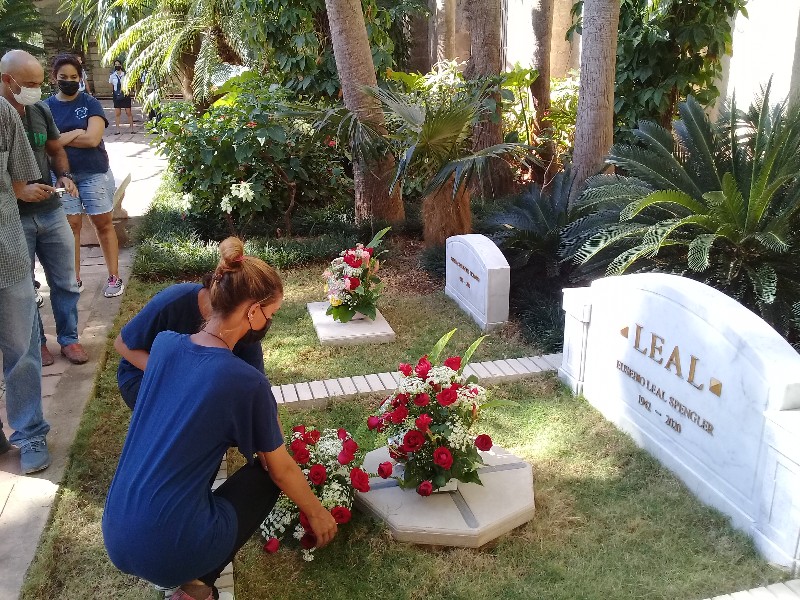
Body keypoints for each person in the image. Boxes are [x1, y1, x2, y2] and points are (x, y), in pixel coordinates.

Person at [102, 237, 337, 600]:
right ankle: (196, 588)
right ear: (253, 311)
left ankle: (184, 576)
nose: (268, 323)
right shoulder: (245, 382)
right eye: (270, 315)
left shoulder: (164, 345)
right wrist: (317, 513)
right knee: (265, 475)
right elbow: (279, 468)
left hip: (116, 536)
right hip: (169, 553)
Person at [0, 50, 88, 366]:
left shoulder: (38, 109)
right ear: (6, 80)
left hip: (50, 211)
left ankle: (70, 340)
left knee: (65, 281)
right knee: (23, 289)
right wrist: (18, 191)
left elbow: (55, 149)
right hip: (13, 220)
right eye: (28, 83)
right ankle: (36, 344)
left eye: (39, 82)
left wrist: (63, 175)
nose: (36, 89)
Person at [114, 274, 266, 409]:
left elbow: (256, 386)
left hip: (197, 383)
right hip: (143, 375)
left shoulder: (248, 325)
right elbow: (122, 343)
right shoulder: (173, 300)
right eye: (269, 312)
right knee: (195, 410)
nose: (268, 319)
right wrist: (174, 375)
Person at [44, 53, 125, 298]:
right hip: (62, 176)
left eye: (73, 77)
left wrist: (61, 139)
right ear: (53, 78)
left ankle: (114, 277)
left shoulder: (90, 103)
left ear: (80, 78)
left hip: (94, 173)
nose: (68, 81)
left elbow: (93, 139)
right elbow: (48, 146)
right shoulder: (45, 107)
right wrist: (75, 132)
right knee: (71, 227)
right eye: (63, 77)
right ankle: (74, 279)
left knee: (103, 224)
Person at [0, 95, 52, 474]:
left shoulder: (3, 112)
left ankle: (30, 430)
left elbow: (20, 180)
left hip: (7, 253)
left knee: (21, 349)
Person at [108, 60, 133, 134]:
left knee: (128, 112)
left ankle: (131, 129)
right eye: (115, 64)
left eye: (118, 64)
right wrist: (114, 92)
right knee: (117, 113)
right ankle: (117, 130)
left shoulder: (125, 75)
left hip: (125, 95)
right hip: (116, 95)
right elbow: (110, 84)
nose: (117, 66)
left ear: (121, 65)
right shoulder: (112, 75)